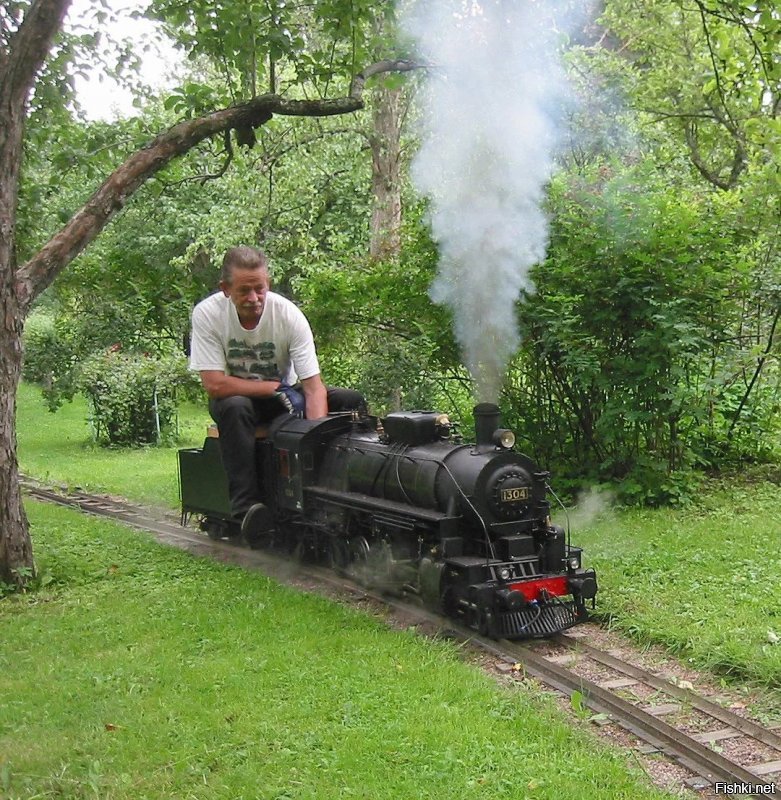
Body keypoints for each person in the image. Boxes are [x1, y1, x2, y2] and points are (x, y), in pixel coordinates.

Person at [189, 245, 365, 532]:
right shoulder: (207, 315)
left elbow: (313, 387)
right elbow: (215, 384)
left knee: (350, 400)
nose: (254, 298)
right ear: (225, 288)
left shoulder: (289, 315)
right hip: (236, 400)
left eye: (260, 289)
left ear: (268, 283)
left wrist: (313, 436)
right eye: (244, 291)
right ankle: (247, 509)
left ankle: (345, 491)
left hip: (286, 400)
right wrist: (272, 387)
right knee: (235, 407)